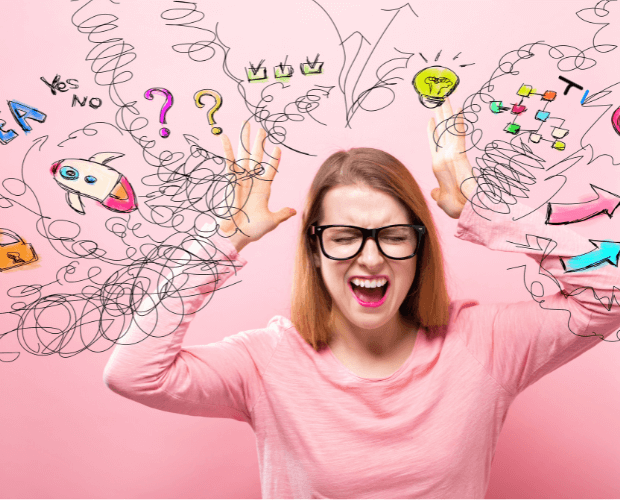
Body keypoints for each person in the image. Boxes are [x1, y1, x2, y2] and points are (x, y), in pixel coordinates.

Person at [103, 99, 619, 498]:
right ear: (314, 249)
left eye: (393, 235)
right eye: (345, 236)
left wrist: (481, 214)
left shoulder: (485, 342)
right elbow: (133, 372)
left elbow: (611, 291)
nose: (370, 259)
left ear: (421, 247)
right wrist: (225, 240)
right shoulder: (265, 361)